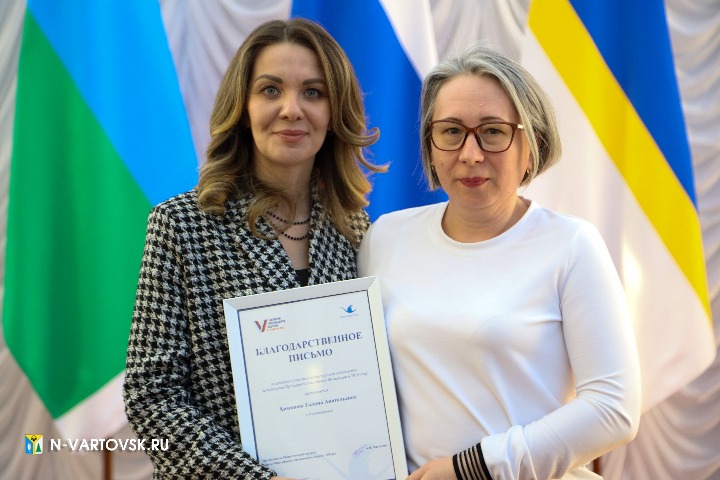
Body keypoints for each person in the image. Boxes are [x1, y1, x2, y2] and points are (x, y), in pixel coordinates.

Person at [358, 45, 641, 480]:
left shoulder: (571, 245)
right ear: (430, 144)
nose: (470, 154)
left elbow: (614, 407)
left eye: (493, 131)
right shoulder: (385, 237)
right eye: (451, 131)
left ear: (532, 145)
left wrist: (471, 468)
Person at [124, 18, 385, 479]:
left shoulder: (357, 232)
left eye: (313, 92)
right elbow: (152, 395)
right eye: (270, 90)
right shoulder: (181, 226)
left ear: (335, 112)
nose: (291, 109)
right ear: (242, 108)